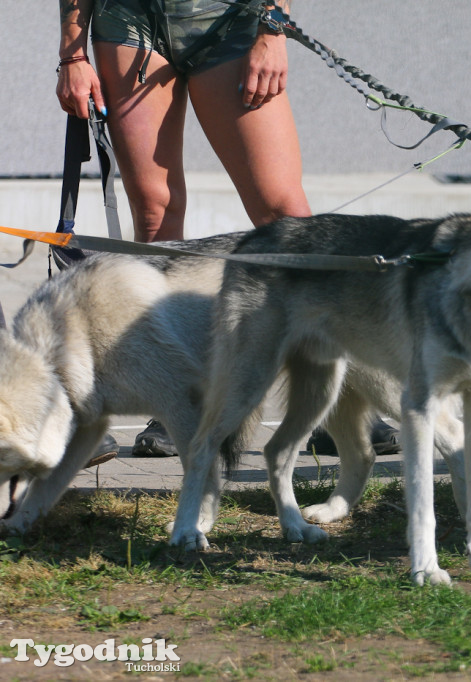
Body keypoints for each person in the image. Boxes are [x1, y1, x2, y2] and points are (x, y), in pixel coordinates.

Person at [57, 0, 310, 458]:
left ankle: (337, 398)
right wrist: (73, 55)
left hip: (229, 18)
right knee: (155, 212)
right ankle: (177, 398)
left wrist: (273, 30)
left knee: (283, 212)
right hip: (127, 22)